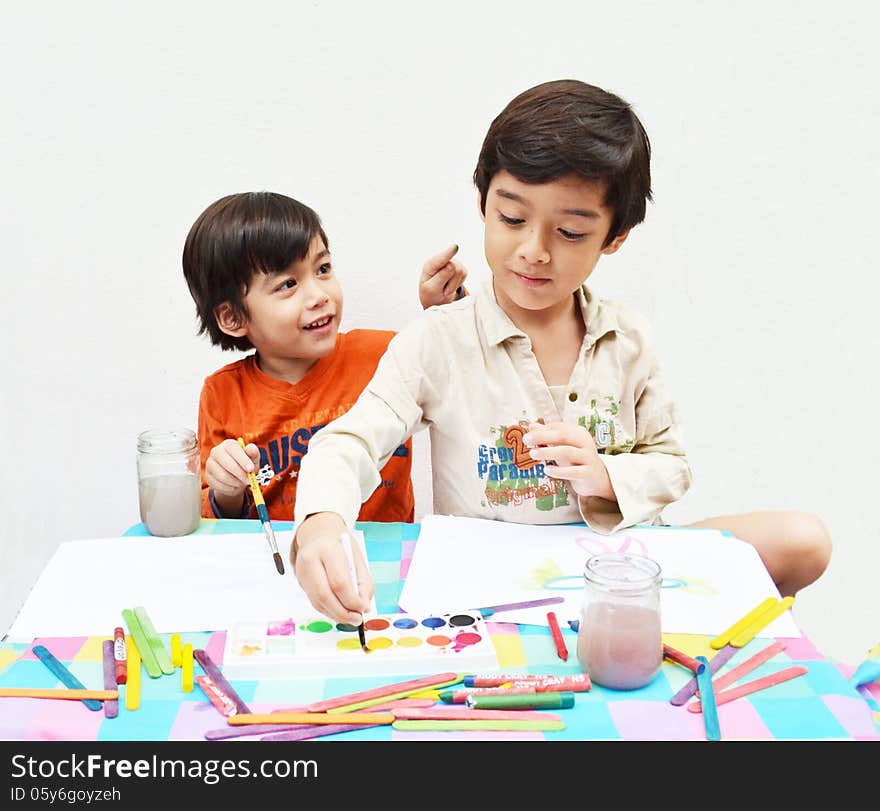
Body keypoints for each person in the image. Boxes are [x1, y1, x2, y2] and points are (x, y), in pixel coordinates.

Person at [290, 80, 831, 623]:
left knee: (804, 541)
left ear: (614, 236)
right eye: (512, 219)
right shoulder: (439, 339)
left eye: (570, 232)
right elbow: (349, 443)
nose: (534, 251)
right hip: (490, 583)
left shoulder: (628, 339)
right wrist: (320, 518)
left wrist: (604, 477)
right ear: (482, 202)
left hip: (613, 569)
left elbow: (671, 464)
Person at [181, 191, 466, 522]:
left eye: (323, 268)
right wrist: (225, 491)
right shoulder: (223, 395)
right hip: (283, 562)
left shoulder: (385, 356)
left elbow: (457, 368)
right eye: (287, 284)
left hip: (382, 556)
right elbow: (215, 519)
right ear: (233, 318)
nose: (318, 295)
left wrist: (444, 313)